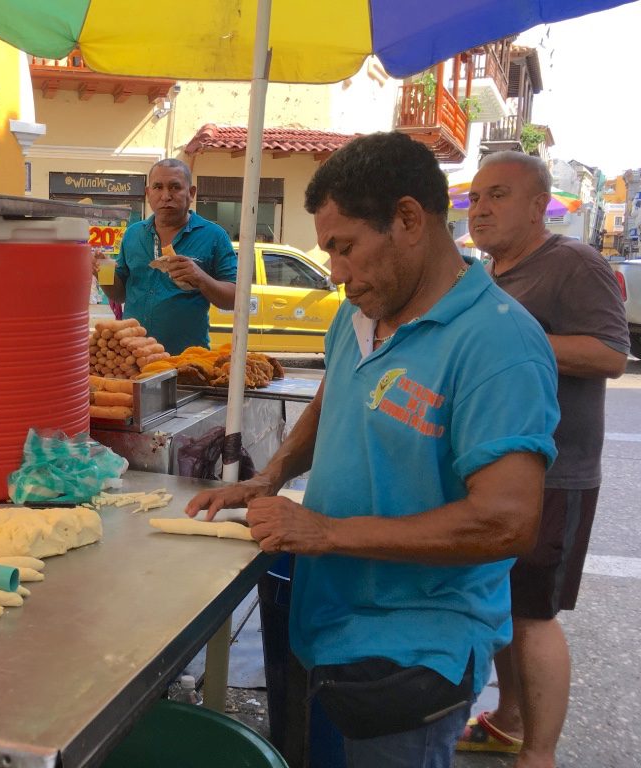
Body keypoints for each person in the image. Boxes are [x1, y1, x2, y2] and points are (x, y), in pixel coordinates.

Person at [184, 132, 560, 768]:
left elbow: (507, 520)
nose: (336, 272)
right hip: (330, 625)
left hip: (412, 653)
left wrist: (327, 532)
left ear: (410, 219)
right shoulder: (360, 312)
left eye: (345, 247)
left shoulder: (500, 346)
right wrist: (269, 478)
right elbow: (334, 399)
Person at [457, 152, 628, 767]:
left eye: (497, 196)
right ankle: (507, 720)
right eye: (475, 198)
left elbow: (610, 353)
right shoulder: (490, 273)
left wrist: (509, 340)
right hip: (497, 468)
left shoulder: (572, 263)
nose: (480, 209)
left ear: (538, 206)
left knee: (534, 616)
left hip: (556, 474)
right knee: (503, 603)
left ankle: (541, 754)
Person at [99, 159, 236, 354]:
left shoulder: (214, 235)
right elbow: (118, 295)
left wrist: (200, 278)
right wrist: (102, 270)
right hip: (132, 354)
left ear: (191, 193)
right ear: (148, 194)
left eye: (175, 187)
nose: (166, 196)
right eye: (158, 187)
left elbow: (234, 299)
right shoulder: (132, 234)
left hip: (186, 359)